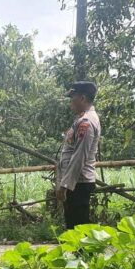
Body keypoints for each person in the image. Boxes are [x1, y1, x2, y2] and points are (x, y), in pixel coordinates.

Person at [56, 81, 101, 229]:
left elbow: (79, 157)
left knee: (78, 229)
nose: (70, 101)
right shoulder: (82, 119)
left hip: (78, 183)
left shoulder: (86, 122)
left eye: (72, 97)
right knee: (74, 228)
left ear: (82, 98)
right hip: (75, 183)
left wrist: (65, 186)